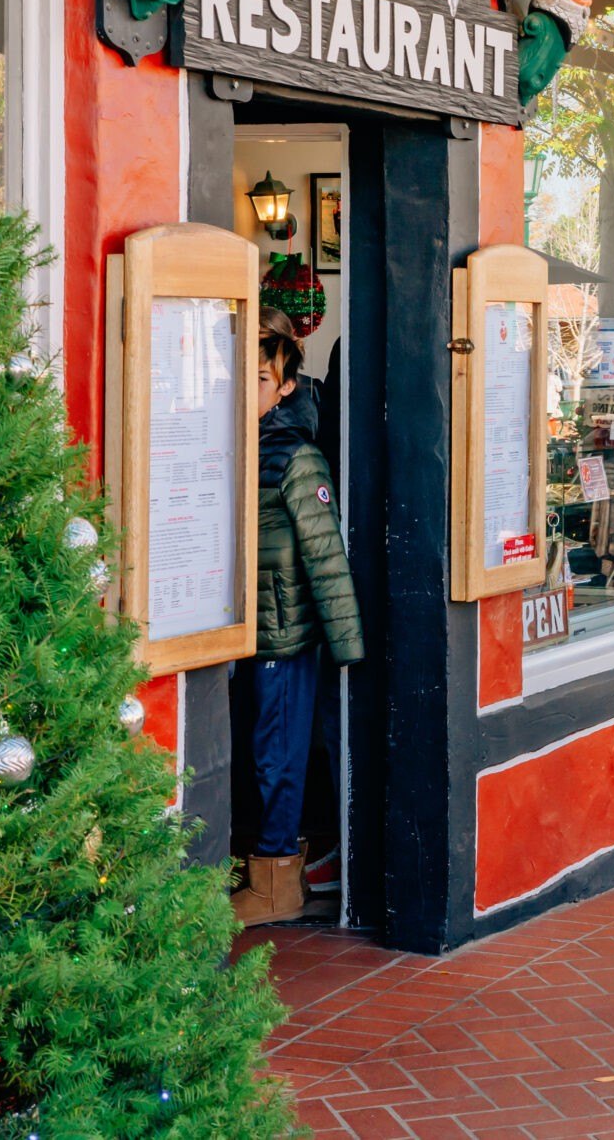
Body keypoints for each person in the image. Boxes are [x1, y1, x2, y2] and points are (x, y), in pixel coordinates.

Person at [233, 315, 365, 926]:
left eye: (262, 378)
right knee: (260, 751)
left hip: (282, 635)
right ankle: (266, 866)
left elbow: (325, 556)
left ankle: (277, 882)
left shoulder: (297, 456)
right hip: (245, 629)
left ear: (287, 387)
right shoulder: (239, 442)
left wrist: (347, 644)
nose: (250, 386)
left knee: (276, 756)